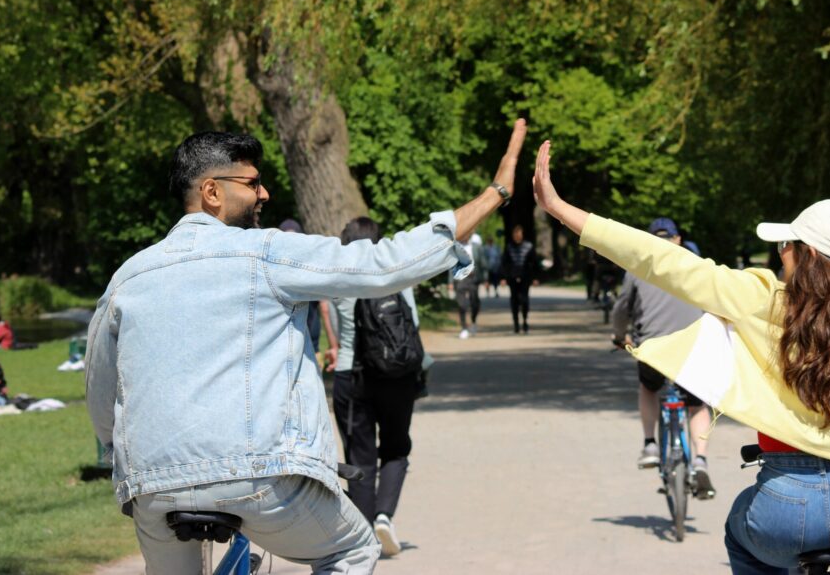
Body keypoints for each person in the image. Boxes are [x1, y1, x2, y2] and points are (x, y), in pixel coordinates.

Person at [85, 121, 526, 574]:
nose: (264, 194)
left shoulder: (128, 277)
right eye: (253, 183)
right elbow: (385, 264)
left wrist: (116, 449)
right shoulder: (267, 252)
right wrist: (495, 194)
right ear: (212, 191)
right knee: (352, 550)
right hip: (257, 476)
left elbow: (102, 390)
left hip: (153, 486)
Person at [532, 140, 830, 575]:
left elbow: (660, 260)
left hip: (782, 512)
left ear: (808, 254)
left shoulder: (760, 300)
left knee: (740, 534)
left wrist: (560, 209)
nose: (779, 251)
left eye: (787, 244)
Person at [326, 216, 425, 557]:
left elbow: (338, 332)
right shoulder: (393, 271)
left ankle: (364, 533)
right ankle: (385, 516)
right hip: (396, 377)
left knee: (359, 458)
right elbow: (413, 321)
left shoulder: (337, 278)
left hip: (350, 377)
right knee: (396, 449)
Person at [611, 217, 715, 499]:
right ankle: (700, 461)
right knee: (697, 405)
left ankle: (649, 445)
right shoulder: (697, 265)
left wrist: (620, 337)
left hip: (654, 348)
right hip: (693, 348)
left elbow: (622, 310)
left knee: (649, 387)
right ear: (677, 239)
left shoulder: (638, 268)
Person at [279, 218, 336, 356]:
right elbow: (324, 307)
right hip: (310, 336)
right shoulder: (310, 267)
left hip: (286, 341)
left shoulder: (275, 268)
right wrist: (333, 343)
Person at [501, 224, 537, 333]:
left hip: (525, 277)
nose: (517, 236)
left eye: (519, 234)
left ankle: (525, 321)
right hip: (512, 277)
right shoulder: (509, 247)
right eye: (515, 234)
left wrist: (535, 278)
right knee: (514, 301)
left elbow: (534, 263)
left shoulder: (528, 247)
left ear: (522, 235)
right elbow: (504, 263)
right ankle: (516, 324)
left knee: (524, 300)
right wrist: (503, 277)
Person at [452, 231, 484, 338]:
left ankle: (473, 321)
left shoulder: (476, 247)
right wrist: (449, 282)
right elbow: (451, 264)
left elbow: (482, 263)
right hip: (460, 278)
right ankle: (464, 328)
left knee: (474, 303)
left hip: (473, 278)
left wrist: (485, 278)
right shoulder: (456, 247)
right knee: (461, 304)